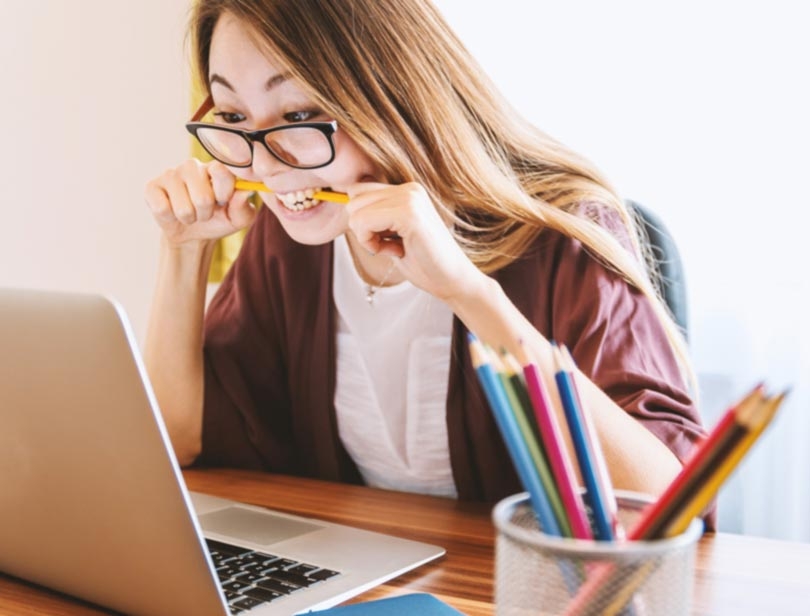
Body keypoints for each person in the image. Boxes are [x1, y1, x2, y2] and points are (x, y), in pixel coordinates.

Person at [144, 0, 707, 513]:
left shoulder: (564, 233)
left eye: (298, 116)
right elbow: (178, 438)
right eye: (235, 117)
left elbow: (667, 507)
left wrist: (468, 291)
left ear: (391, 95)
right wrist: (184, 251)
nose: (264, 166)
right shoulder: (291, 241)